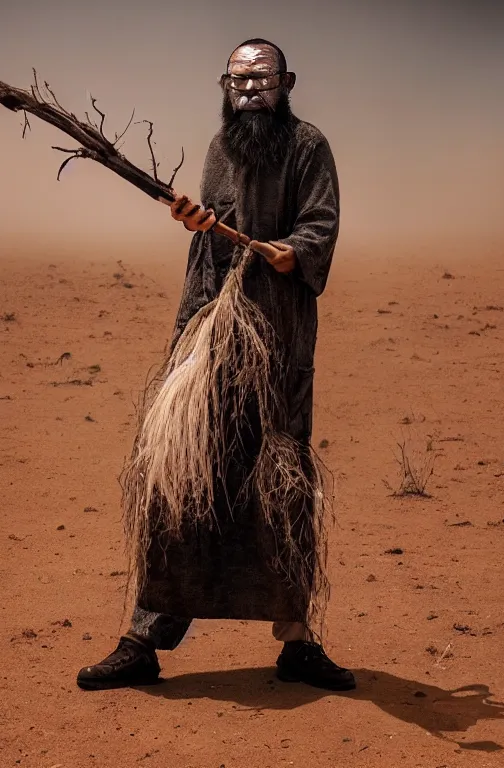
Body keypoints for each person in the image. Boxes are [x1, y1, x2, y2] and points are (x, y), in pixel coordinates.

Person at [77, 38, 356, 692]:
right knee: (178, 478)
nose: (250, 89)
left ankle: (296, 642)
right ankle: (143, 639)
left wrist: (287, 250)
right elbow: (211, 242)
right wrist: (194, 220)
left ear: (286, 81)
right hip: (209, 342)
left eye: (261, 78)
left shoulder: (309, 149)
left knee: (280, 485)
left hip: (276, 349)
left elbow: (320, 228)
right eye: (238, 79)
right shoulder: (219, 150)